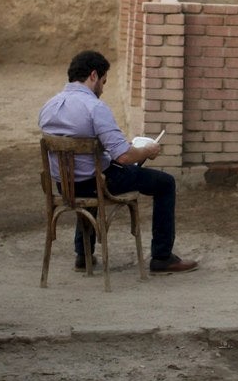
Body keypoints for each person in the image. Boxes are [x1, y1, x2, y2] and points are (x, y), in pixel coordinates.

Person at [38, 50, 198, 274]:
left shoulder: (49, 106)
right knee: (165, 183)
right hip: (99, 184)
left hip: (65, 186)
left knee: (88, 171)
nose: (102, 89)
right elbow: (123, 156)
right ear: (94, 75)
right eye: (103, 82)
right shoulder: (95, 108)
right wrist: (146, 150)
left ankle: (83, 255)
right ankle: (162, 257)